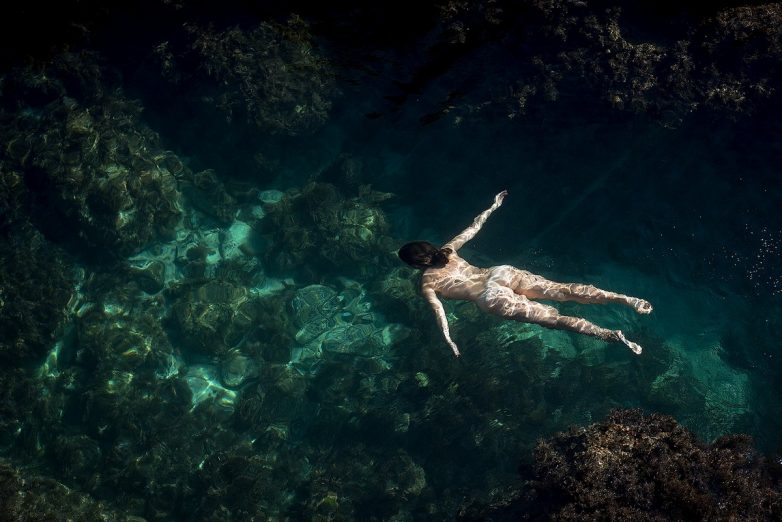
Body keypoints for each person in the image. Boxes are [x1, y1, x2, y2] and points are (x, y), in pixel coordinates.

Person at [398, 190, 652, 357]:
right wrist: (494, 206)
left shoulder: (428, 283)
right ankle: (624, 299)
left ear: (415, 266)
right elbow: (473, 227)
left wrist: (449, 340)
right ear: (430, 248)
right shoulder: (449, 250)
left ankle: (609, 335)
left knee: (555, 319)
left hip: (490, 298)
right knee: (564, 290)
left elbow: (439, 313)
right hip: (499, 274)